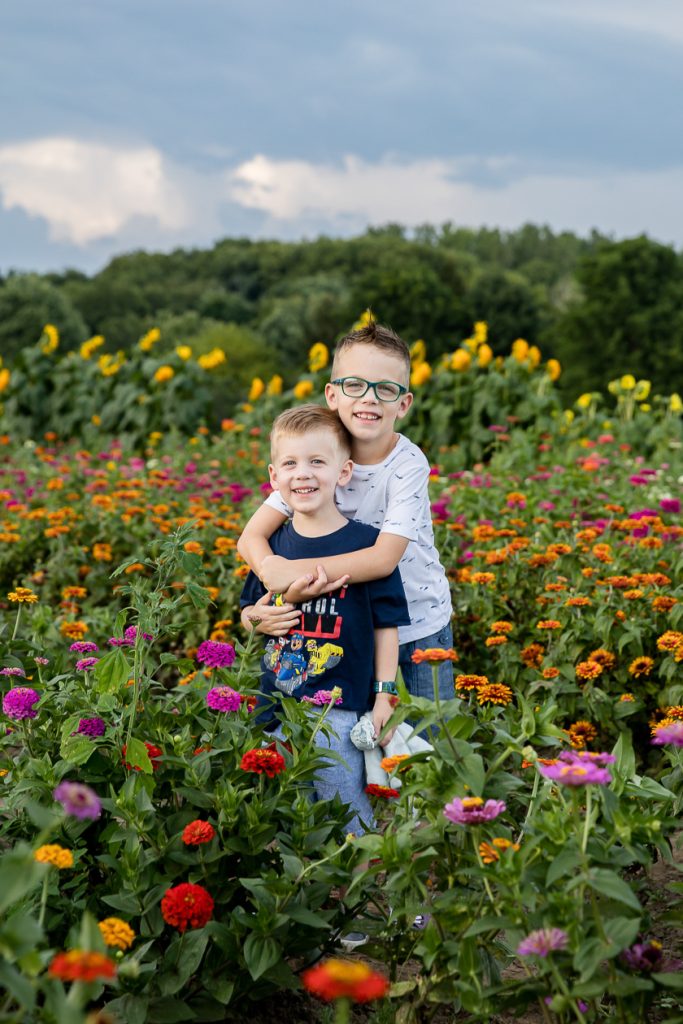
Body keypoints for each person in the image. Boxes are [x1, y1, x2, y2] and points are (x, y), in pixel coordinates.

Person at [237, 322, 454, 705]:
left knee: (426, 739)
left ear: (403, 404)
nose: (368, 399)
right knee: (358, 732)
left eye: (385, 389)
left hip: (418, 625)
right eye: (355, 385)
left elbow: (383, 559)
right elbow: (252, 538)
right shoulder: (318, 459)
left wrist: (295, 573)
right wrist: (268, 575)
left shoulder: (407, 464)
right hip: (350, 628)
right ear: (333, 395)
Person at [239, 404, 410, 838]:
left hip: (338, 707)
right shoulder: (274, 549)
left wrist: (383, 696)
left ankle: (366, 898)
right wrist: (258, 618)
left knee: (346, 812)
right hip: (275, 704)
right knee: (278, 813)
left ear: (344, 471)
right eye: (291, 464)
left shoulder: (365, 544)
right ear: (274, 478)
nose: (304, 474)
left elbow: (385, 625)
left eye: (318, 462)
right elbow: (249, 612)